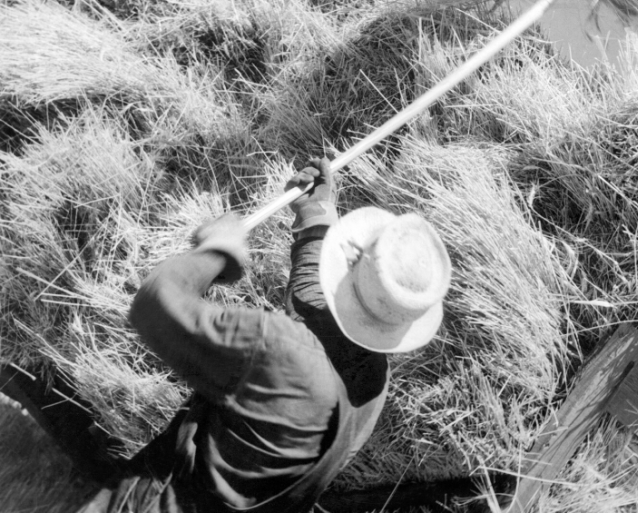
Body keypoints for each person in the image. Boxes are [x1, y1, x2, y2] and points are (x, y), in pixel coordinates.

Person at [76, 157, 453, 512]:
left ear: (350, 261)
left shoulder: (277, 349)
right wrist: (315, 217)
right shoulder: (372, 382)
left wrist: (218, 249)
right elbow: (315, 304)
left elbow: (155, 303)